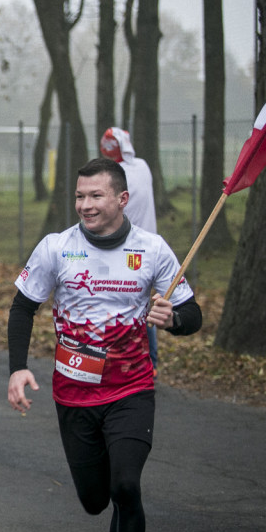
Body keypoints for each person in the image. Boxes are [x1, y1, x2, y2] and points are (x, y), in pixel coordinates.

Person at [6, 157, 202, 532]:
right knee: (95, 500)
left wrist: (172, 319)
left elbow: (193, 315)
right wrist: (18, 367)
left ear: (121, 199)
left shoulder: (152, 250)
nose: (85, 205)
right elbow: (22, 308)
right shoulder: (57, 248)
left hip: (131, 390)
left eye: (96, 196)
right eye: (79, 196)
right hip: (73, 395)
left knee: (126, 486)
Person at [99, 127, 160, 368]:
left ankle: (131, 358)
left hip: (124, 247)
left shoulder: (115, 175)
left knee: (122, 302)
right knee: (139, 302)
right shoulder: (142, 166)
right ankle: (150, 361)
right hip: (148, 246)